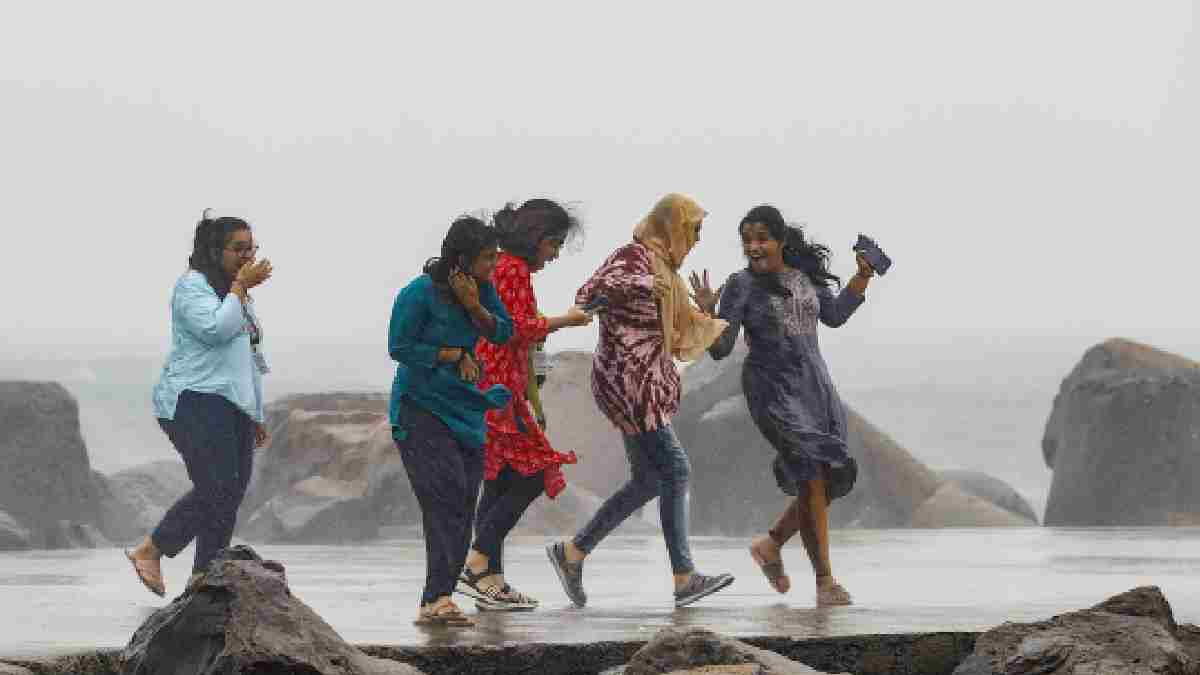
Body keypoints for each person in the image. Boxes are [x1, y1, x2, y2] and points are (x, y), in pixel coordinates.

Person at [545, 193, 735, 609]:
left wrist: (707, 310)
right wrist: (641, 285)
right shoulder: (634, 256)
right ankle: (684, 577)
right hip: (627, 381)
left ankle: (572, 553)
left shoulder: (669, 273)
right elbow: (589, 292)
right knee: (677, 470)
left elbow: (688, 330)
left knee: (649, 480)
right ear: (670, 225)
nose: (697, 239)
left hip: (644, 383)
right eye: (693, 229)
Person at [693, 204, 875, 607]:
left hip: (815, 387)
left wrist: (862, 276)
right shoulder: (740, 285)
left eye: (762, 239)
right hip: (771, 388)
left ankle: (771, 544)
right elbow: (721, 349)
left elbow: (836, 315)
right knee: (810, 473)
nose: (753, 247)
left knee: (830, 478)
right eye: (746, 241)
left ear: (781, 241)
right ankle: (825, 581)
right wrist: (707, 315)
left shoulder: (805, 277)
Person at [125, 210, 274, 597]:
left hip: (233, 405)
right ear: (214, 251)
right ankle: (151, 549)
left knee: (231, 493)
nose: (248, 256)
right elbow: (214, 330)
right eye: (239, 249)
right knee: (216, 486)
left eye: (252, 248)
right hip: (193, 399)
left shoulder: (238, 295)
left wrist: (256, 413)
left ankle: (205, 577)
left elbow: (250, 356)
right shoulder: (192, 287)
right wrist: (240, 287)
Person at [456, 200, 593, 611]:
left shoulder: (503, 266)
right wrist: (566, 320)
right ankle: (476, 561)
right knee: (534, 474)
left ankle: (491, 580)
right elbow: (515, 329)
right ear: (537, 238)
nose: (554, 255)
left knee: (499, 481)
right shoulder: (512, 268)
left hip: (495, 387)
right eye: (554, 244)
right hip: (496, 388)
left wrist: (531, 397)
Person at [389, 215, 514, 627]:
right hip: (420, 406)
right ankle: (435, 598)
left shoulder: (483, 290)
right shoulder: (420, 292)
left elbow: (503, 332)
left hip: (465, 408)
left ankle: (441, 596)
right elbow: (399, 346)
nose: (494, 264)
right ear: (461, 258)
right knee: (445, 497)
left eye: (495, 256)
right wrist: (453, 354)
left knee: (464, 501)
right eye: (487, 257)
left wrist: (474, 305)